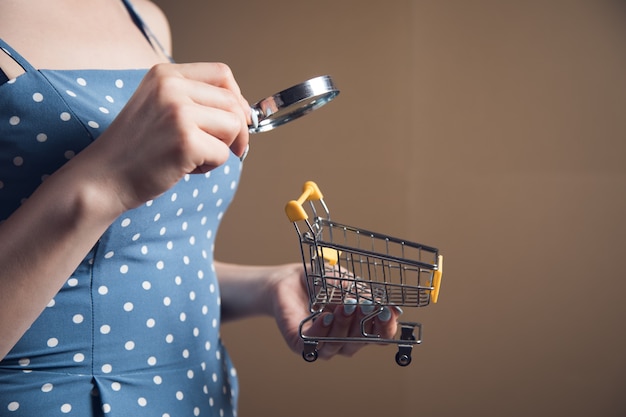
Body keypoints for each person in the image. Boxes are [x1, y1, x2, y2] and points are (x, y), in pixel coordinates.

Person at [0, 0, 401, 415]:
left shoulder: (144, 18)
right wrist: (103, 183)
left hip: (197, 397)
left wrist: (267, 285)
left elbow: (126, 265)